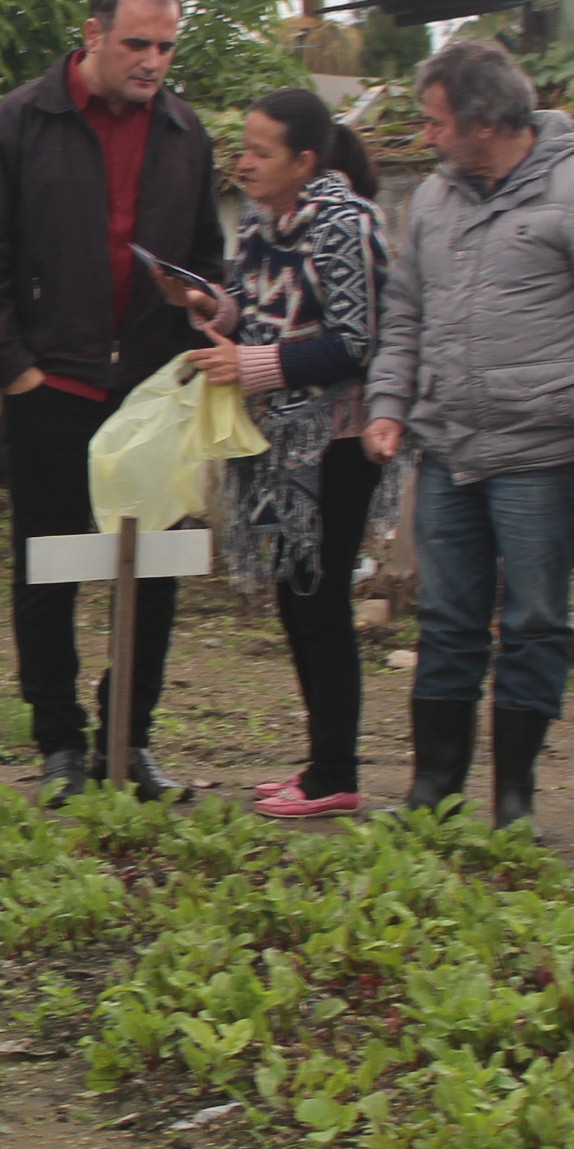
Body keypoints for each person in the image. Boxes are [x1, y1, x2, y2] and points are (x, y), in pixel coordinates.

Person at [365, 37, 574, 828]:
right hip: (449, 447)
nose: (426, 136)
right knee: (446, 619)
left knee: (534, 622)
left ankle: (514, 803)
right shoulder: (436, 199)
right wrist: (389, 403)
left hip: (543, 450)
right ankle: (432, 794)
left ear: (486, 120)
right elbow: (405, 312)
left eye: (437, 122)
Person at [0, 0, 226, 803]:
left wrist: (205, 304)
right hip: (53, 389)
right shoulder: (19, 122)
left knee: (153, 574)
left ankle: (128, 743)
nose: (153, 62)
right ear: (94, 34)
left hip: (151, 397)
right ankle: (60, 746)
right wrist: (17, 372)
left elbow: (206, 255)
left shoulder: (185, 132)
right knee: (50, 570)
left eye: (166, 47)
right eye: (138, 44)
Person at [182, 91, 390, 819]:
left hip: (336, 441)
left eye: (261, 151)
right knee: (296, 597)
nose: (244, 162)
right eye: (244, 147)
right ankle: (321, 766)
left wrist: (255, 365)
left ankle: (335, 773)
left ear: (305, 161)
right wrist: (212, 308)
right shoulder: (259, 222)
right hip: (274, 440)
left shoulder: (346, 225)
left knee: (319, 598)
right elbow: (250, 304)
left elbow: (356, 341)